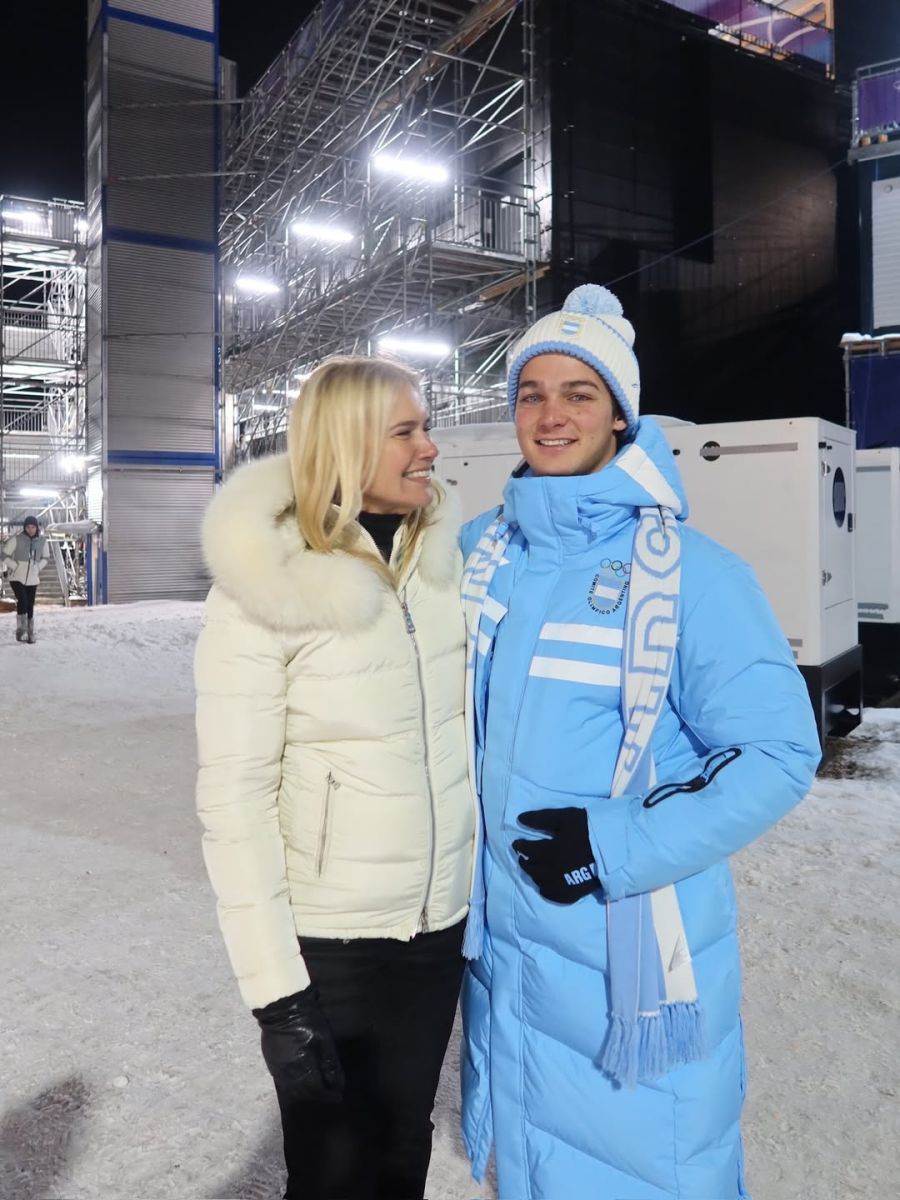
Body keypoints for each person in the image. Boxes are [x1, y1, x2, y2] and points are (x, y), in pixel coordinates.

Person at [458, 285, 821, 1199]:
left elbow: (778, 756)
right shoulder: (479, 556)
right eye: (532, 394)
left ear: (620, 413)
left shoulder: (695, 574)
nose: (551, 415)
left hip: (629, 966)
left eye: (579, 394)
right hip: (506, 955)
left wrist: (611, 845)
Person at [194, 355, 476, 1200]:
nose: (430, 448)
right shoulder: (265, 586)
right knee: (333, 1174)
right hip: (332, 947)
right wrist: (279, 1000)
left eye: (427, 428)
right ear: (348, 445)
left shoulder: (442, 564)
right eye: (406, 432)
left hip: (436, 929)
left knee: (402, 1152)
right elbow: (234, 803)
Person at [2, 515, 50, 644]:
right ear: (24, 527)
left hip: (32, 578)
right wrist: (15, 566)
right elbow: (4, 555)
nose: (30, 529)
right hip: (16, 577)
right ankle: (21, 631)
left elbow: (46, 557)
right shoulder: (16, 539)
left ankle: (30, 632)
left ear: (37, 528)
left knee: (30, 604)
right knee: (23, 600)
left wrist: (38, 567)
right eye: (28, 527)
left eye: (33, 527)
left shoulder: (42, 541)